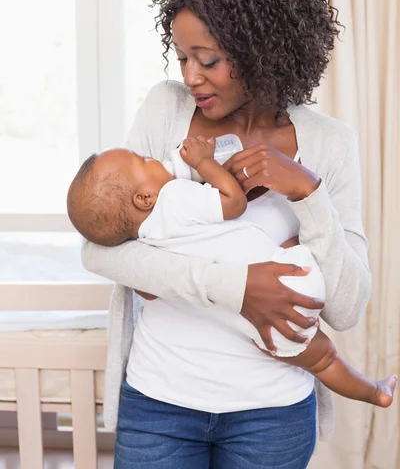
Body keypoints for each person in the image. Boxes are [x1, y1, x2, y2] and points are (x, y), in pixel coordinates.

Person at [81, 0, 373, 469]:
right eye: (183, 57)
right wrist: (238, 288)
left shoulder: (330, 143)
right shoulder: (166, 109)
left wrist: (308, 194)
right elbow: (103, 252)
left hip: (272, 415)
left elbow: (346, 308)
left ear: (262, 50)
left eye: (208, 60)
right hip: (160, 403)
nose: (190, 76)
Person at [67, 137, 397, 411]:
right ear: (144, 198)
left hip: (263, 331)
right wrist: (204, 162)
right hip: (294, 279)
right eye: (143, 160)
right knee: (324, 354)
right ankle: (373, 391)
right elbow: (233, 202)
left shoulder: (144, 238)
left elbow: (149, 289)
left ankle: (374, 392)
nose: (152, 157)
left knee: (324, 361)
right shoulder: (173, 198)